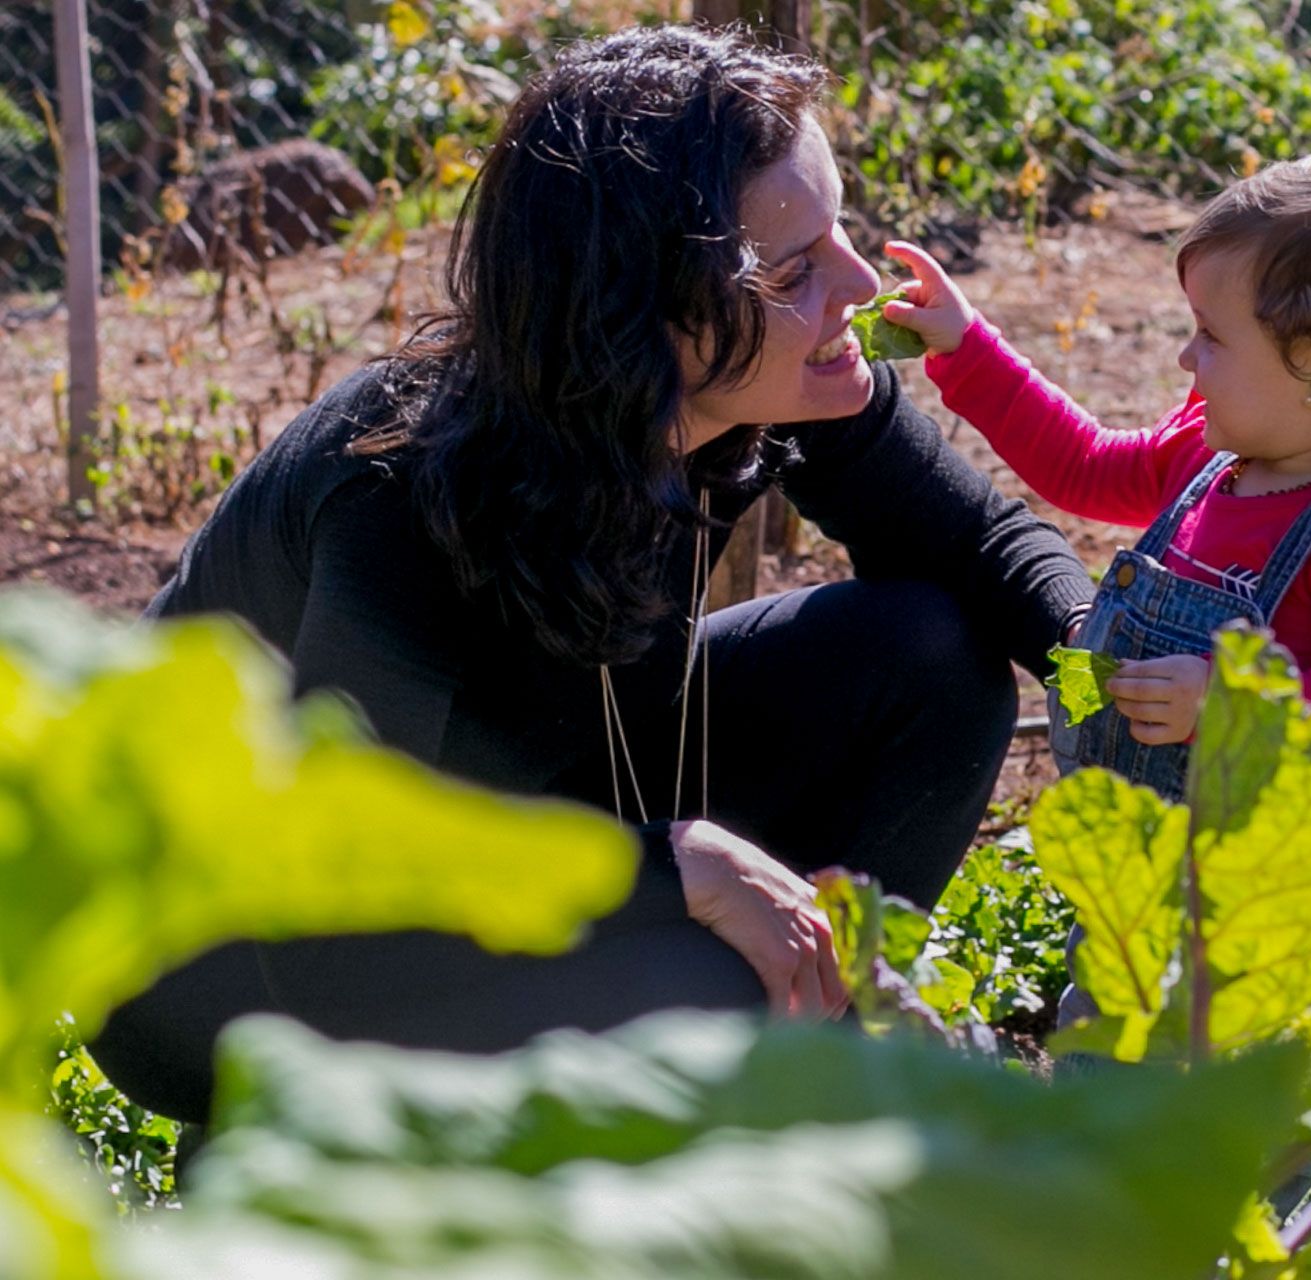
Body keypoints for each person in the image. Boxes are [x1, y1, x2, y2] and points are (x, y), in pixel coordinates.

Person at [89, 24, 1095, 1126]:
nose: (854, 283)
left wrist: (1126, 675)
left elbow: (987, 550)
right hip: (233, 962)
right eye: (795, 268)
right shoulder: (404, 494)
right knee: (707, 998)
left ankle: (792, 1084)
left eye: (840, 230)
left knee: (931, 660)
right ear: (638, 314)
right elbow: (336, 920)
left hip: (521, 805)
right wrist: (667, 872)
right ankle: (381, 1154)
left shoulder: (764, 380)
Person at [880, 146, 1311, 1231]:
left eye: (1213, 336)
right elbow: (1085, 466)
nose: (1187, 362)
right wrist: (965, 348)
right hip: (1146, 886)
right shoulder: (1211, 454)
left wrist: (1238, 696)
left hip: (1289, 912)